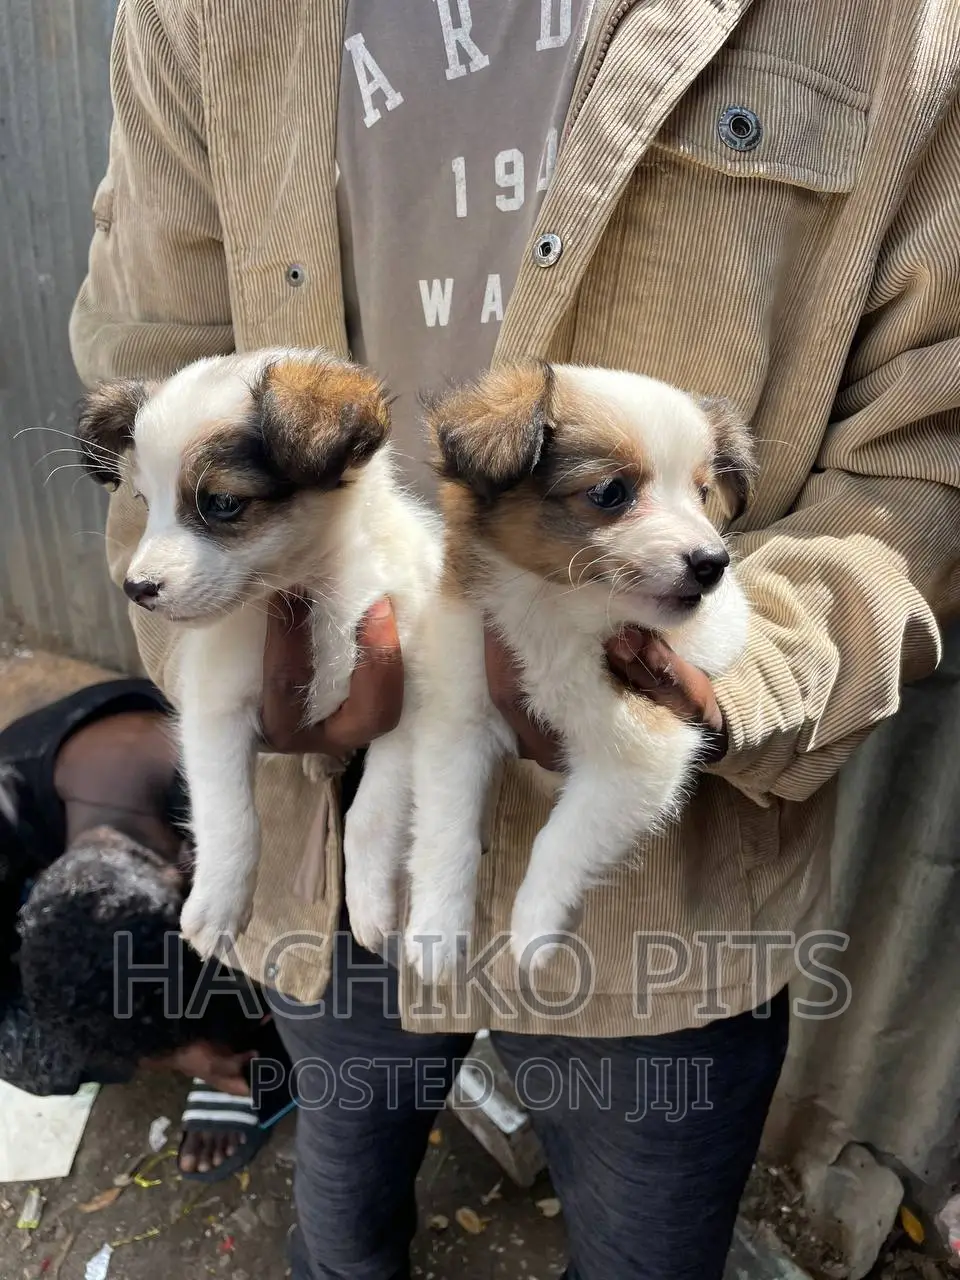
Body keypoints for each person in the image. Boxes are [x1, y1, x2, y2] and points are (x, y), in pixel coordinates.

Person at [70, 2, 960, 1276]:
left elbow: (924, 449)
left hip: (666, 896)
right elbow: (150, 364)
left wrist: (718, 670)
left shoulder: (902, 25)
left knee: (648, 1254)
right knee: (342, 1231)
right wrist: (219, 648)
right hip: (326, 865)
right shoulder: (195, 14)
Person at [0, 680, 292, 1181]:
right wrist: (179, 1053)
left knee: (292, 938)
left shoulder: (258, 788)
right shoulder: (11, 816)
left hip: (222, 814)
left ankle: (253, 1038)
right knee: (32, 1054)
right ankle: (195, 1039)